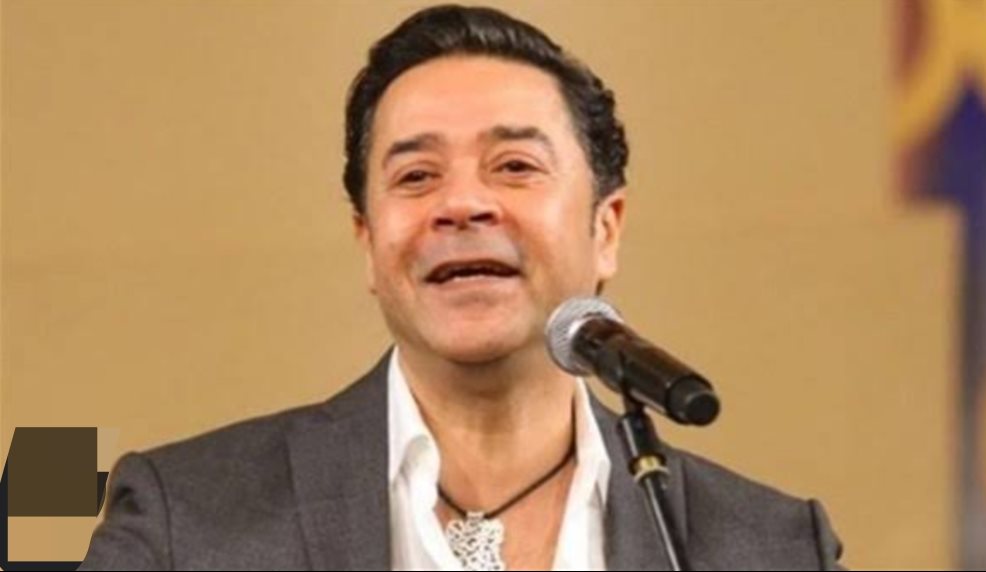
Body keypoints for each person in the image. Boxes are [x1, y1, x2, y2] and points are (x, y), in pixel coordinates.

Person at [81, 4, 845, 570]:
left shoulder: (769, 547)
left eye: (514, 166)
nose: (463, 204)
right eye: (417, 176)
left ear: (605, 227)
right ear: (368, 242)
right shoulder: (189, 520)